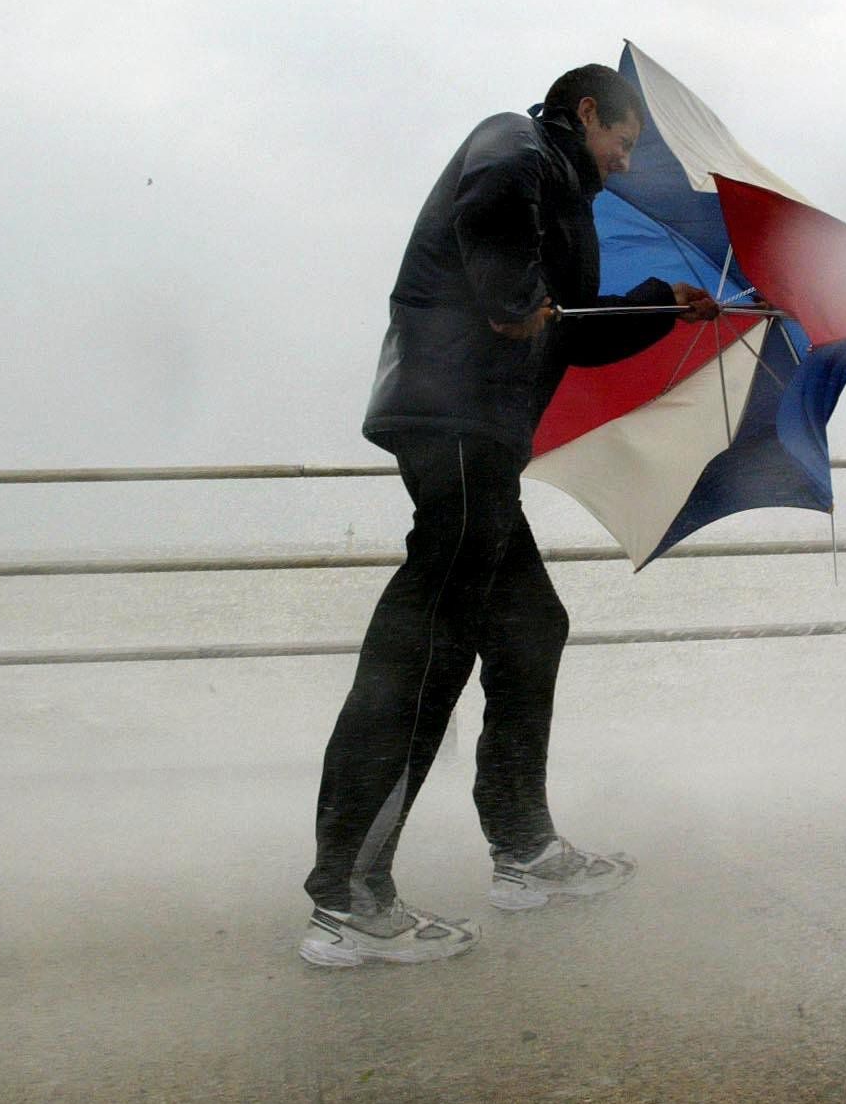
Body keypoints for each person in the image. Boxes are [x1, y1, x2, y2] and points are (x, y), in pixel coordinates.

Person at [299, 64, 719, 968]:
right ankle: (348, 897)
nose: (622, 160)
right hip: (449, 415)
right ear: (585, 112)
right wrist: (506, 295)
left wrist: (664, 309)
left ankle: (523, 851)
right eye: (622, 140)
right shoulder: (515, 145)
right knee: (430, 642)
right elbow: (497, 238)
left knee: (531, 624)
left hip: (483, 429)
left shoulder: (561, 191)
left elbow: (562, 324)